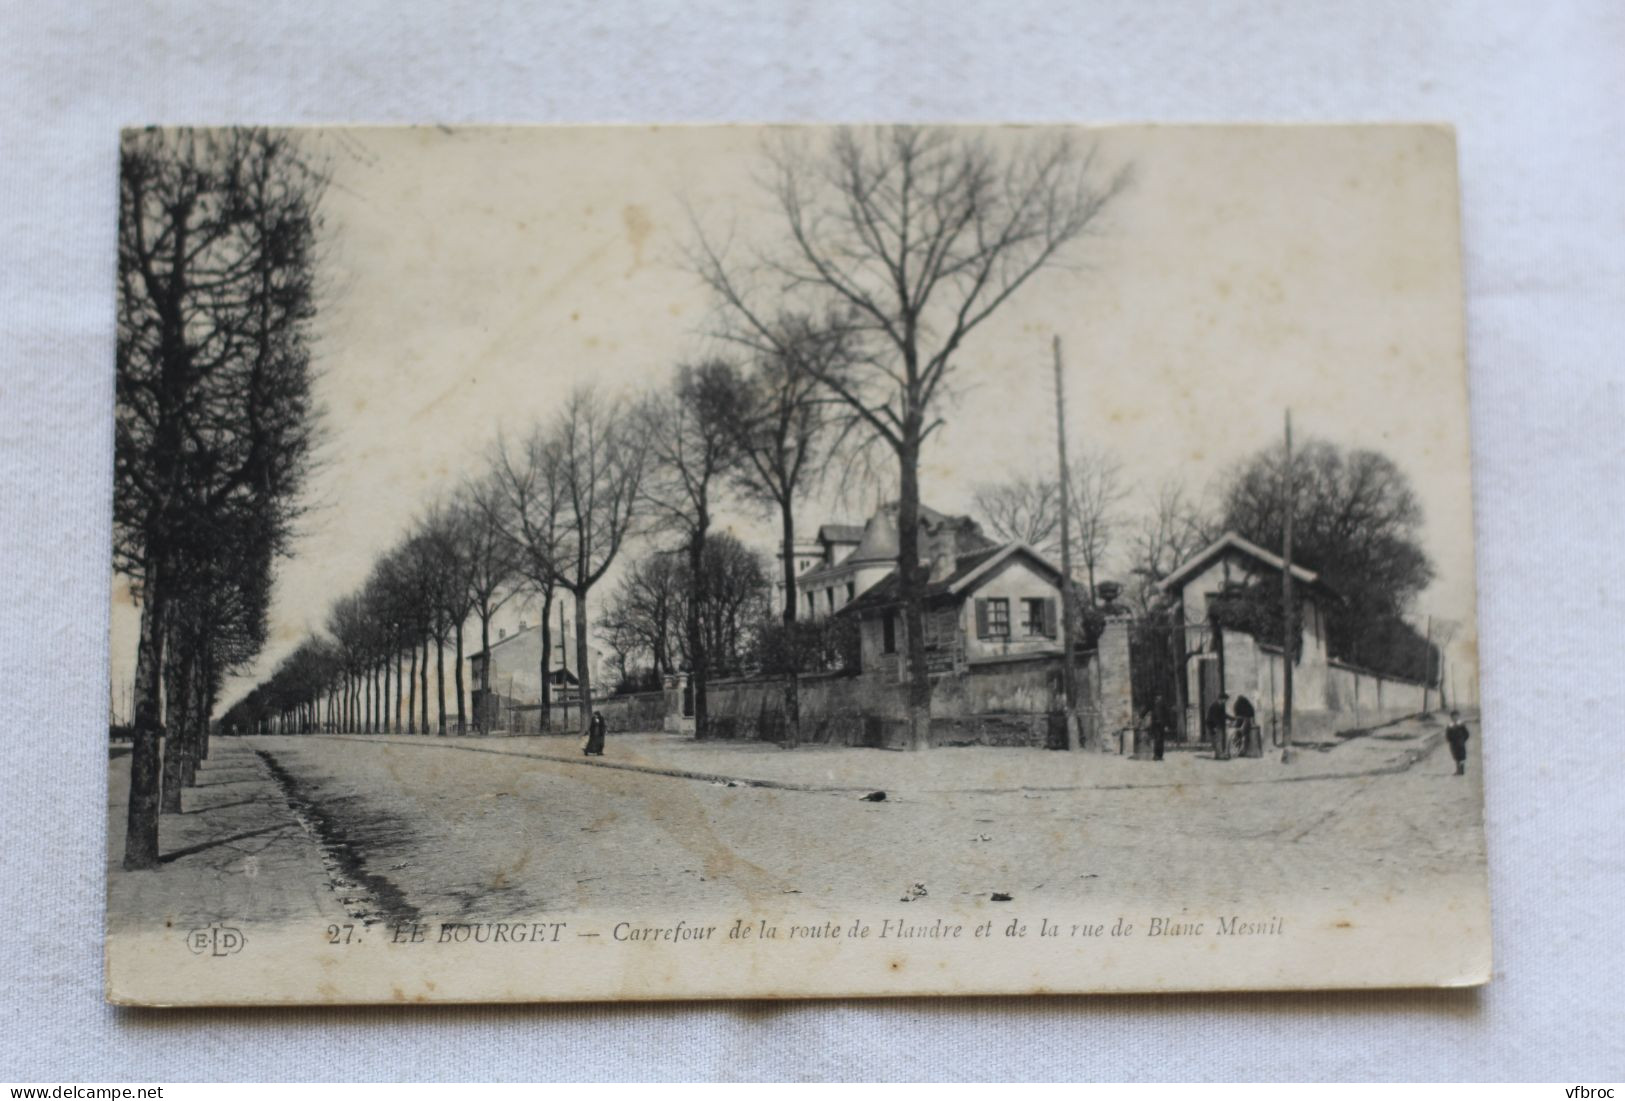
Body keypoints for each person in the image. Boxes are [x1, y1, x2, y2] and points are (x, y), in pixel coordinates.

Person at [1444, 710, 1470, 776]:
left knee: (1462, 757)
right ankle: (1458, 770)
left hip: (1461, 744)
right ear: (1451, 718)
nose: (1455, 718)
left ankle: (1462, 770)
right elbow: (1447, 735)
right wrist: (1449, 740)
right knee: (1456, 757)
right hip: (1453, 744)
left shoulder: (1461, 725)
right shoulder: (1450, 726)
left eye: (1456, 716)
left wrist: (1463, 740)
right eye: (1453, 717)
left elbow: (1466, 734)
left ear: (1458, 717)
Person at [1206, 692, 1231, 760]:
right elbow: (1213, 717)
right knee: (1217, 740)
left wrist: (1232, 718)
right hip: (1213, 725)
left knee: (1219, 739)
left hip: (1217, 725)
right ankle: (1219, 755)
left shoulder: (1221, 705)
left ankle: (1218, 754)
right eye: (1225, 700)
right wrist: (1215, 727)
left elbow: (1223, 715)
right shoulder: (1215, 705)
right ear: (1222, 699)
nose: (1226, 702)